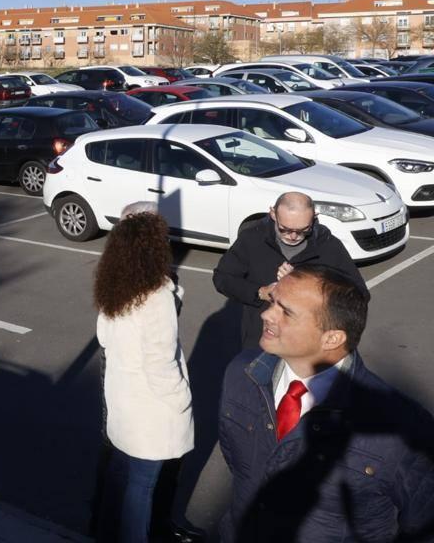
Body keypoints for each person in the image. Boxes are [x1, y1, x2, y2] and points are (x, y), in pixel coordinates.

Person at [218, 265, 434, 541]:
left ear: (332, 338)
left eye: (286, 312)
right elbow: (239, 463)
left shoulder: (401, 425)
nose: (266, 314)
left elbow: (425, 524)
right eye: (273, 302)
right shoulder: (241, 373)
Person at [94, 212, 195, 542]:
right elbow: (161, 361)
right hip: (152, 412)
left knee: (124, 483)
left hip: (124, 402)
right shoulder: (155, 296)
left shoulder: (115, 286)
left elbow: (105, 339)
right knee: (142, 489)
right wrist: (181, 400)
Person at [212, 192, 368, 350]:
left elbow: (359, 295)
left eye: (302, 230)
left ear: (314, 217)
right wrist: (260, 292)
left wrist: (302, 282)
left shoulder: (329, 246)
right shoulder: (252, 239)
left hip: (307, 346)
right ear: (273, 214)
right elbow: (222, 278)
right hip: (261, 341)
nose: (293, 236)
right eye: (284, 229)